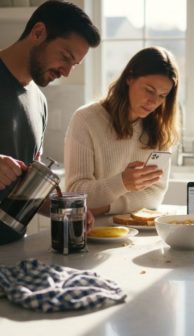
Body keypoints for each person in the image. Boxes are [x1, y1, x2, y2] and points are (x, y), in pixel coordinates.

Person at [0, 0, 101, 252]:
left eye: (74, 64)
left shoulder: (40, 103)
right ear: (38, 33)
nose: (66, 71)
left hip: (9, 251)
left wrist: (65, 208)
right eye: (65, 57)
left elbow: (23, 189)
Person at [64, 46, 180, 215]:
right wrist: (122, 183)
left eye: (162, 95)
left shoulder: (159, 129)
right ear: (129, 78)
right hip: (92, 231)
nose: (154, 102)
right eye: (149, 90)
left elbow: (155, 194)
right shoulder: (86, 119)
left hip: (136, 232)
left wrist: (107, 207)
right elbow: (75, 193)